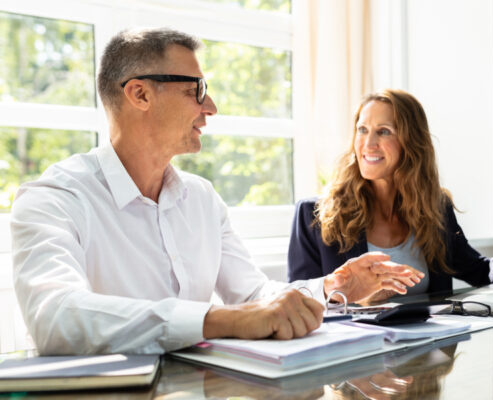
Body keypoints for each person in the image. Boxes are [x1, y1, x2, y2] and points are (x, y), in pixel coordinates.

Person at [10, 29, 420, 355]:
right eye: (197, 89)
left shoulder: (202, 198)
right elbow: (54, 316)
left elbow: (254, 294)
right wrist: (219, 320)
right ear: (140, 94)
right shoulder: (53, 198)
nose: (211, 107)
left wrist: (330, 287)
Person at [288, 89, 493, 300]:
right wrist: (354, 298)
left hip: (425, 360)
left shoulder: (434, 208)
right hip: (353, 367)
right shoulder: (313, 216)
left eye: (384, 131)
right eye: (362, 129)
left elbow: (477, 269)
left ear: (411, 142)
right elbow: (299, 299)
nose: (368, 144)